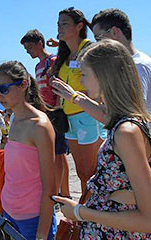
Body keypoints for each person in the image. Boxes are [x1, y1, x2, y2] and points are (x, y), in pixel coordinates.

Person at [53, 39, 151, 239]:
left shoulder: (126, 133)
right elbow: (105, 116)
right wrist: (74, 98)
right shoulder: (132, 122)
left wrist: (79, 212)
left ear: (104, 77)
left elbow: (148, 220)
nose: (81, 82)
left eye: (85, 74)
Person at [0, 61, 57, 239]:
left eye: (3, 89)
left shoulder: (39, 126)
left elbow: (50, 186)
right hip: (10, 212)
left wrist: (42, 234)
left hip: (32, 218)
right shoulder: (13, 119)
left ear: (23, 84)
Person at [49, 7, 107, 194]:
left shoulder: (89, 50)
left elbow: (101, 85)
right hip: (70, 120)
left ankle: (93, 215)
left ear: (79, 26)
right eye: (58, 24)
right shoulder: (65, 55)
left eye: (64, 23)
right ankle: (86, 215)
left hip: (89, 116)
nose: (60, 27)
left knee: (92, 173)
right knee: (82, 173)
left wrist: (73, 93)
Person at [21, 29, 70, 198]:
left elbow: (59, 85)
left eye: (29, 47)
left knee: (59, 153)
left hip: (56, 112)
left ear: (39, 44)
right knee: (54, 153)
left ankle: (64, 192)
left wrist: (56, 105)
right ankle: (59, 190)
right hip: (46, 113)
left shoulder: (53, 61)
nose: (28, 51)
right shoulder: (38, 66)